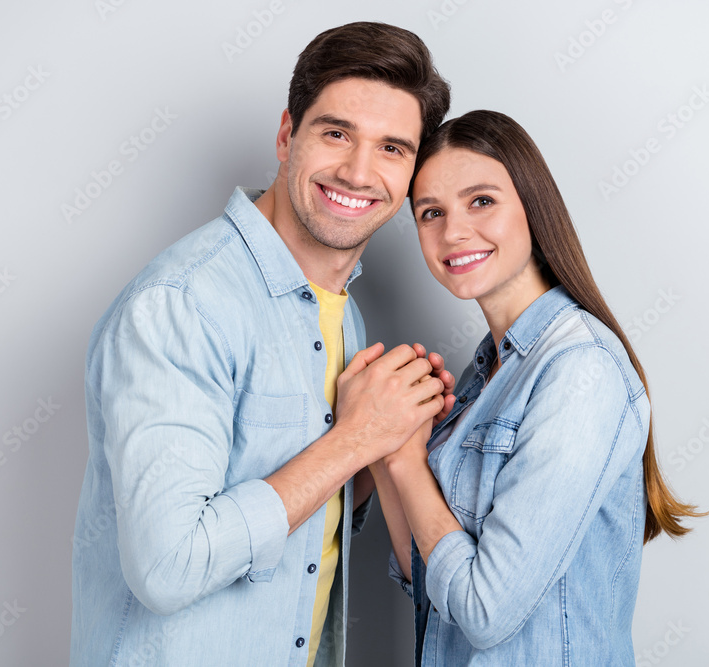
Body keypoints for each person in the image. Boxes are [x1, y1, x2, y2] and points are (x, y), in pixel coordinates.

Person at [70, 22, 452, 666]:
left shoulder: (343, 315)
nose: (359, 172)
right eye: (336, 133)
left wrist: (387, 441)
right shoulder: (183, 305)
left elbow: (307, 522)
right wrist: (355, 439)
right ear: (286, 135)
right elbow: (168, 566)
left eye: (392, 148)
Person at [370, 110, 707, 666]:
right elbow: (429, 576)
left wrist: (408, 462)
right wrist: (388, 444)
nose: (453, 231)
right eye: (431, 213)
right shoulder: (487, 373)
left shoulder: (580, 371)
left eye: (481, 201)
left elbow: (484, 610)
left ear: (533, 206)